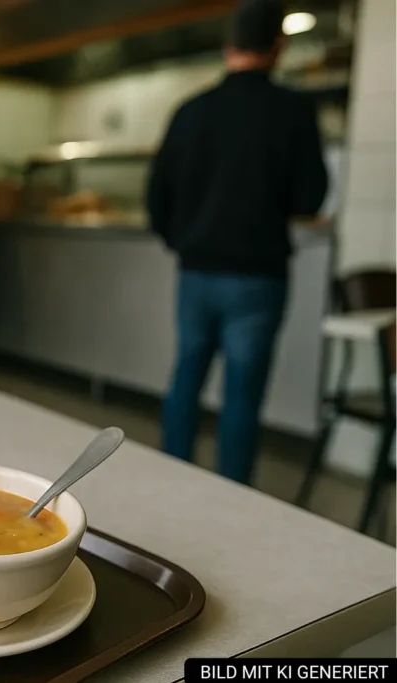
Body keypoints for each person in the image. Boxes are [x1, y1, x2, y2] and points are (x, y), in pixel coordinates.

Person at [147, 0, 328, 484]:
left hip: (197, 269)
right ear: (278, 48)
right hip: (258, 273)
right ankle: (231, 495)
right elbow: (312, 194)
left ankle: (171, 480)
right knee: (242, 396)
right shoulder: (293, 111)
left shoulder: (191, 111)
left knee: (186, 376)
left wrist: (182, 240)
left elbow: (156, 195)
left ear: (228, 48)